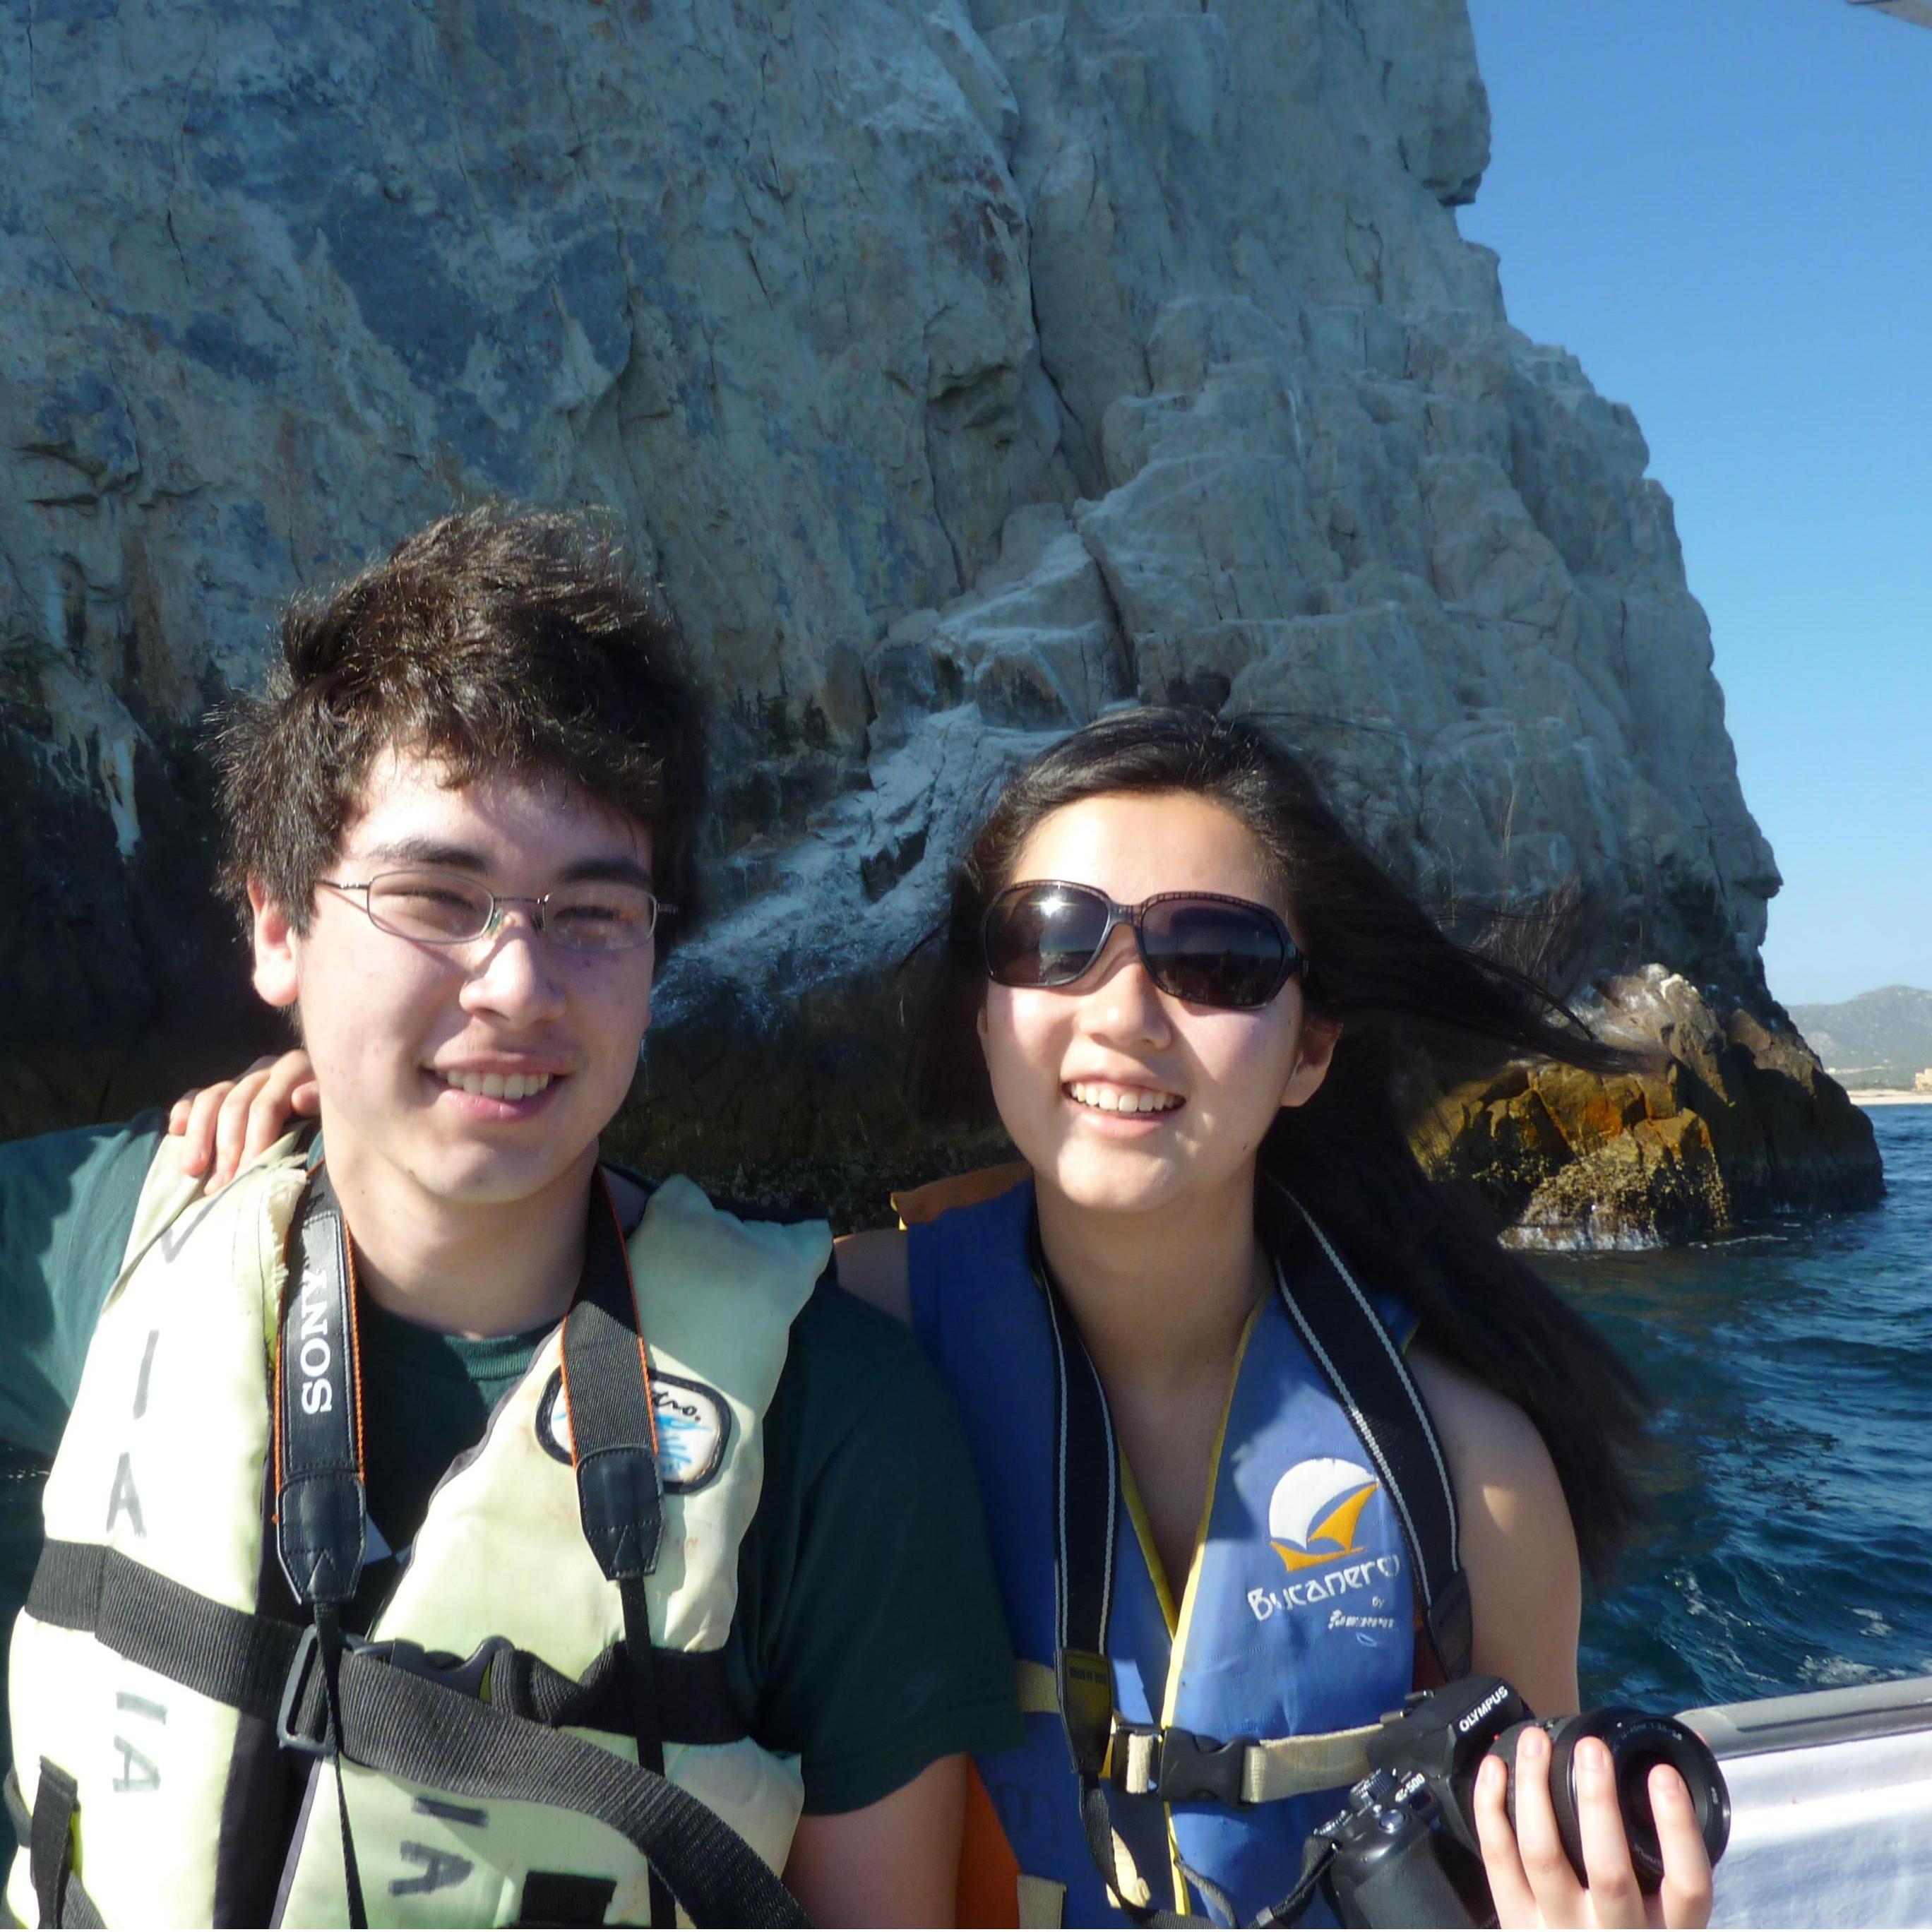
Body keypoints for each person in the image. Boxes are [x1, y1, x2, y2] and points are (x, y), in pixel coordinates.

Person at [167, 708, 1718, 1930]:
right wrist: (344, 1116)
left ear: (1308, 1048)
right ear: (983, 1005)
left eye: (1217, 961)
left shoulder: (1471, 1468)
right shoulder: (825, 1339)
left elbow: (1535, 1869)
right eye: (1056, 940)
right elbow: (565, 1238)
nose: (1123, 1011)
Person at [0, 506, 1020, 1928]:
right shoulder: (85, 1251)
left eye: (593, 914)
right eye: (437, 895)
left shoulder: (836, 1433)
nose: (519, 985)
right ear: (278, 927)